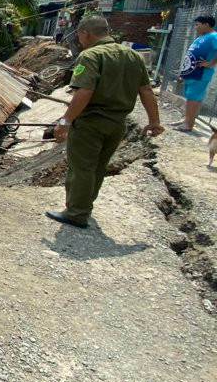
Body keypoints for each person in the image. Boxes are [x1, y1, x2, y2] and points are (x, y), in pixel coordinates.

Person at [47, 15, 164, 228]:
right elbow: (146, 90)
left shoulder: (91, 55)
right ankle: (85, 205)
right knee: (98, 167)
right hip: (117, 124)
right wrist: (154, 121)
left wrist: (65, 121)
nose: (80, 41)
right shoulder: (133, 56)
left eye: (80, 36)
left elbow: (85, 91)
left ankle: (76, 213)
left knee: (82, 167)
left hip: (90, 123)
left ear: (86, 33)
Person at [176, 15, 217, 132]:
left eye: (197, 25)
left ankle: (188, 124)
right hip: (192, 73)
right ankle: (186, 120)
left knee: (194, 98)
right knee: (190, 97)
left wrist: (210, 63)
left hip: (200, 74)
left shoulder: (213, 36)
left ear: (206, 24)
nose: (195, 27)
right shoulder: (201, 37)